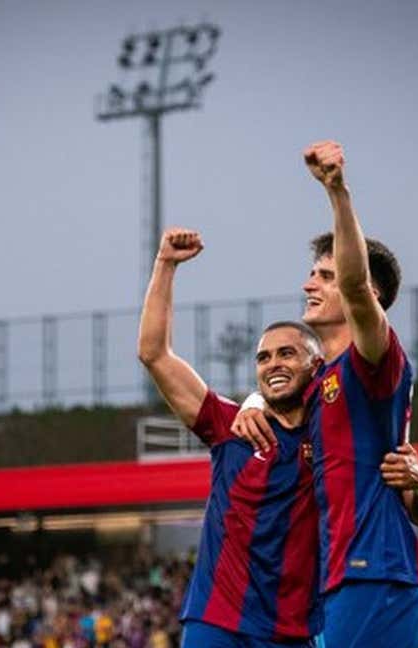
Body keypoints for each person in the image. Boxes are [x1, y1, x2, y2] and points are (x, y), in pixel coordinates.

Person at [231, 141, 418, 647]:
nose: (310, 284)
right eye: (312, 273)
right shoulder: (321, 377)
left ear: (368, 295)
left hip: (374, 571)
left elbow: (354, 283)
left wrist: (337, 192)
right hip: (336, 579)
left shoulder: (372, 360)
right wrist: (253, 401)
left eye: (324, 276)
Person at [137, 227, 323, 648]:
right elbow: (153, 353)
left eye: (286, 353)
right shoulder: (231, 425)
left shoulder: (333, 433)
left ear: (317, 365)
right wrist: (165, 265)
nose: (273, 363)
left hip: (293, 632)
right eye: (263, 357)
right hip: (218, 623)